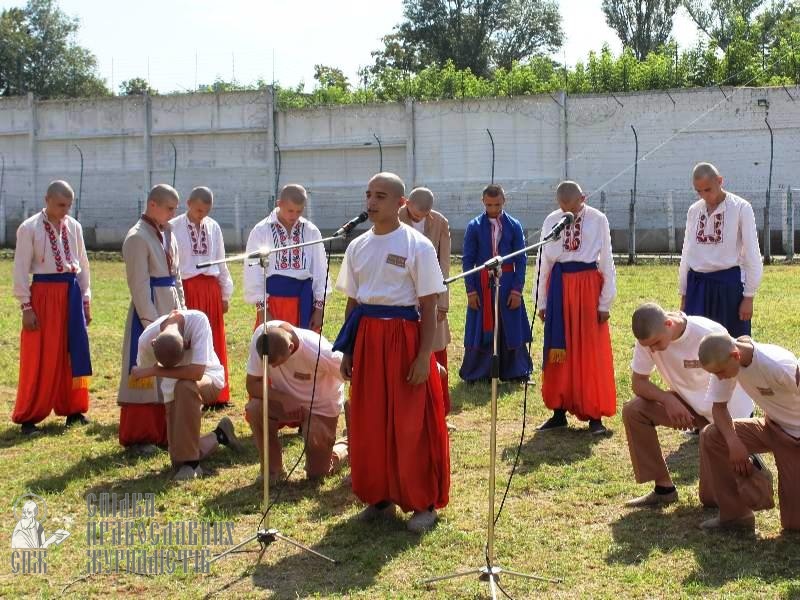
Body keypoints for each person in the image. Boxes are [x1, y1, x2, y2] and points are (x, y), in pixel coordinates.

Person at [333, 172, 450, 533]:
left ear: (400, 203)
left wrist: (422, 357)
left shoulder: (417, 245)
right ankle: (379, 495)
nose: (371, 202)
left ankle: (422, 502)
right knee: (371, 419)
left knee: (411, 422)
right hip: (367, 338)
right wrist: (349, 351)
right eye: (368, 194)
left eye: (380, 196)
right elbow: (353, 301)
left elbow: (428, 306)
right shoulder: (357, 246)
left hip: (405, 338)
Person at [623, 303, 753, 507]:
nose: (653, 350)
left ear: (668, 323)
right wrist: (668, 400)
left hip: (728, 413)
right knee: (634, 410)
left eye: (656, 343)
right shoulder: (648, 340)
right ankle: (663, 488)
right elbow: (638, 382)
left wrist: (730, 435)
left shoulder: (709, 333)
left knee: (711, 501)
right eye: (648, 345)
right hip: (691, 406)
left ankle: (749, 463)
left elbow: (734, 377)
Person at [697, 333, 800, 531]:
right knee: (712, 436)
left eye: (720, 372)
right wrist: (733, 442)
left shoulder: (778, 366)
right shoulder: (726, 360)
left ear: (735, 355)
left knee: (794, 526)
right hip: (771, 427)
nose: (719, 377)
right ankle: (735, 515)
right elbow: (718, 408)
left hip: (795, 439)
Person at [12, 181, 92, 436]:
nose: (66, 210)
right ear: (47, 199)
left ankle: (73, 409)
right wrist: (26, 307)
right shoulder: (29, 228)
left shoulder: (75, 227)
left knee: (73, 350)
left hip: (72, 293)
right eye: (61, 204)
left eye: (69, 205)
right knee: (40, 354)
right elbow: (20, 270)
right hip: (44, 295)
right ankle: (29, 415)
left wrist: (86, 301)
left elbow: (84, 265)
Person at [536, 181, 617, 434]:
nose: (566, 212)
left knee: (588, 349)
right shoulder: (552, 220)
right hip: (559, 286)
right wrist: (541, 300)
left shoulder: (598, 219)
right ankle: (558, 410)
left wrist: (605, 301)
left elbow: (607, 260)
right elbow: (544, 260)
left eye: (570, 207)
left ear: (583, 198)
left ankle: (594, 414)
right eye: (561, 207)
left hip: (587, 287)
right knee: (559, 349)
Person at [130, 309, 240, 480]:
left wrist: (154, 370)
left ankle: (193, 465)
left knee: (185, 386)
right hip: (171, 392)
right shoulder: (146, 340)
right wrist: (153, 371)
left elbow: (196, 373)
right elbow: (139, 372)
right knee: (177, 460)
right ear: (154, 342)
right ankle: (220, 435)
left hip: (208, 379)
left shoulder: (198, 321)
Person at [117, 184, 186, 453]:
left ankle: (165, 431)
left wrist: (183, 311)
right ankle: (140, 435)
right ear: (153, 204)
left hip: (171, 307)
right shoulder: (136, 237)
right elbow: (139, 286)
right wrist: (152, 327)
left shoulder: (168, 232)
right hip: (151, 311)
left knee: (171, 371)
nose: (173, 214)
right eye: (170, 208)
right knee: (145, 368)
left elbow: (177, 277)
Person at [244, 321, 348, 483]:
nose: (270, 367)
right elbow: (252, 384)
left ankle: (344, 446)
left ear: (291, 348)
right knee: (255, 409)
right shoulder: (262, 338)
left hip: (320, 406)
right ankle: (273, 470)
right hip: (284, 401)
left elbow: (352, 374)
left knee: (317, 475)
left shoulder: (320, 351)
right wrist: (283, 398)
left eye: (275, 364)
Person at [679, 162, 762, 337]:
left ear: (720, 181)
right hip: (697, 285)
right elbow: (687, 252)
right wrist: (684, 292)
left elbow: (752, 254)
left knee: (731, 344)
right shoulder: (694, 211)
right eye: (698, 191)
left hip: (728, 286)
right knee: (696, 343)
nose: (703, 195)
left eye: (708, 189)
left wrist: (749, 296)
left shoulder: (741, 207)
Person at [460, 184, 532, 383]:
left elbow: (521, 259)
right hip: (482, 284)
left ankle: (515, 370)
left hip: (508, 283)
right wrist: (471, 291)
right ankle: (478, 371)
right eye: (489, 204)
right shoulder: (474, 226)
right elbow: (467, 260)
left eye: (497, 204)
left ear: (504, 201)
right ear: (483, 202)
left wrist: (517, 290)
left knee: (511, 325)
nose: (493, 209)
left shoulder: (514, 225)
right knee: (480, 327)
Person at [170, 186, 233, 407]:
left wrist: (225, 293)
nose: (201, 215)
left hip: (210, 288)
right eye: (198, 210)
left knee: (214, 338)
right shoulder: (174, 227)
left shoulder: (213, 227)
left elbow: (221, 260)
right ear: (188, 204)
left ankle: (217, 393)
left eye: (206, 211)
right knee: (191, 340)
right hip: (187, 287)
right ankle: (192, 392)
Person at [244, 184, 330, 331]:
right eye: (290, 210)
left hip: (304, 302)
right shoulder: (261, 230)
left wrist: (319, 308)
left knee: (303, 350)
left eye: (299, 211)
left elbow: (320, 270)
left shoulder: (311, 231)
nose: (294, 215)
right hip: (274, 303)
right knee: (275, 350)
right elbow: (253, 273)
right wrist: (263, 311)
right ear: (279, 204)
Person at [399, 187, 452, 413]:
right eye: (417, 213)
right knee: (408, 352)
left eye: (425, 213)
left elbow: (445, 264)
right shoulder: (393, 217)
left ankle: (439, 409)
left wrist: (443, 302)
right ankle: (409, 408)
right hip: (403, 297)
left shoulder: (440, 222)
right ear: (407, 203)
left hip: (433, 293)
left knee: (435, 349)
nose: (421, 217)